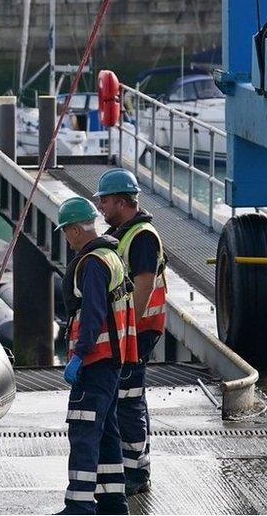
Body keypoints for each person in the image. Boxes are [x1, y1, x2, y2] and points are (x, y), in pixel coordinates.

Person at [54, 197, 139, 515]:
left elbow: (92, 314)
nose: (67, 238)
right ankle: (113, 501)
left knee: (83, 428)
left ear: (76, 229)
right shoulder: (111, 257)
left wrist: (79, 355)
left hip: (96, 360)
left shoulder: (91, 263)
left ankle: (79, 504)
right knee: (105, 430)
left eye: (66, 231)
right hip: (113, 360)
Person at [95, 169, 168, 495]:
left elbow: (143, 285)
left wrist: (127, 333)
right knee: (130, 399)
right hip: (133, 330)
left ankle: (136, 474)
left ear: (123, 202)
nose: (100, 205)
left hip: (138, 331)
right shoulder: (125, 232)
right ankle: (135, 468)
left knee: (128, 400)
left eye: (106, 200)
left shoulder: (142, 237)